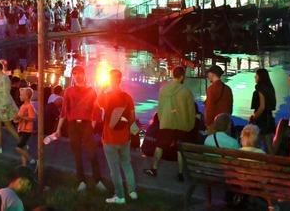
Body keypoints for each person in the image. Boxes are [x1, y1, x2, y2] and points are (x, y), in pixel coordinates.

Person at [55, 65, 106, 192]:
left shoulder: (91, 90)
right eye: (75, 74)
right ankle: (81, 181)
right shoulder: (68, 91)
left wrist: (92, 126)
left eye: (79, 73)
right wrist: (58, 129)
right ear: (73, 76)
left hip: (86, 124)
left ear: (84, 75)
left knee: (92, 152)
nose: (77, 76)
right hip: (73, 125)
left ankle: (98, 180)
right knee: (77, 153)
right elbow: (64, 111)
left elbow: (96, 110)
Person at [144, 66, 195, 182]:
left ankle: (154, 168)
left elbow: (160, 109)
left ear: (173, 75)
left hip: (166, 122)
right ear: (182, 77)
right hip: (182, 125)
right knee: (179, 149)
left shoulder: (164, 90)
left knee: (159, 146)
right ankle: (180, 173)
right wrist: (190, 125)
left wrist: (163, 120)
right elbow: (191, 111)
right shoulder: (186, 92)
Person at [97, 69, 138, 204]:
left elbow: (98, 104)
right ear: (120, 79)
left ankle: (119, 196)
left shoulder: (106, 96)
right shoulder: (127, 97)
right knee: (127, 164)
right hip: (125, 137)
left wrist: (102, 88)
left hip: (110, 138)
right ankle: (132, 192)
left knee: (114, 169)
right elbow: (132, 117)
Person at [0, 60, 20, 155]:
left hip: (3, 106)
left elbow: (6, 94)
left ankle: (22, 143)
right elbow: (1, 92)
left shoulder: (5, 78)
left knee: (8, 126)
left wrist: (4, 107)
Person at [249, 68, 276, 154]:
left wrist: (253, 117)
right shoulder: (270, 88)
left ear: (260, 77)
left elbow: (261, 107)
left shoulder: (260, 89)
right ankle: (272, 163)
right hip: (269, 118)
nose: (254, 77)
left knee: (257, 144)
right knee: (269, 145)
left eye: (256, 76)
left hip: (262, 120)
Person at [204, 65, 233, 133]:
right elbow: (230, 108)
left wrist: (208, 124)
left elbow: (209, 109)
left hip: (214, 125)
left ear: (212, 74)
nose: (207, 76)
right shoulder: (228, 89)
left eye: (208, 73)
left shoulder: (211, 89)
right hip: (226, 124)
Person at [14, 87, 36, 167]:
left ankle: (31, 160)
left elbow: (32, 118)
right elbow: (18, 117)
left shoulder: (29, 106)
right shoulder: (23, 106)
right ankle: (24, 165)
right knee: (23, 148)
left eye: (21, 95)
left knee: (18, 148)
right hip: (21, 129)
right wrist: (16, 119)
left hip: (26, 130)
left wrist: (21, 117)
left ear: (26, 97)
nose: (20, 96)